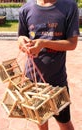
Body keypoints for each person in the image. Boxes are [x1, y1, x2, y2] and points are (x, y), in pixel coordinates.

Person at [17, 0, 79, 130]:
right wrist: (22, 42)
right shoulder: (26, 9)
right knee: (41, 121)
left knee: (65, 123)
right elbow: (21, 36)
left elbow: (72, 44)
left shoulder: (69, 6)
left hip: (57, 82)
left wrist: (44, 43)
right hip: (32, 82)